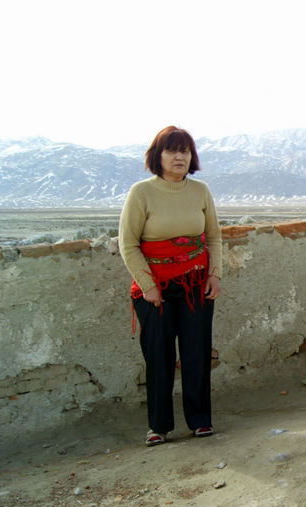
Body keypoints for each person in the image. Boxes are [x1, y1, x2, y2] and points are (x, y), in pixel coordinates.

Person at [119, 126, 223, 447]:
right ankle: (159, 426)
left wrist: (214, 274)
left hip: (196, 286)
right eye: (172, 150)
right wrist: (147, 285)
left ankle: (200, 421)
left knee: (196, 353)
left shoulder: (200, 191)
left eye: (185, 151)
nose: (180, 156)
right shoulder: (142, 193)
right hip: (156, 292)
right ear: (158, 156)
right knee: (159, 357)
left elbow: (214, 236)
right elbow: (128, 243)